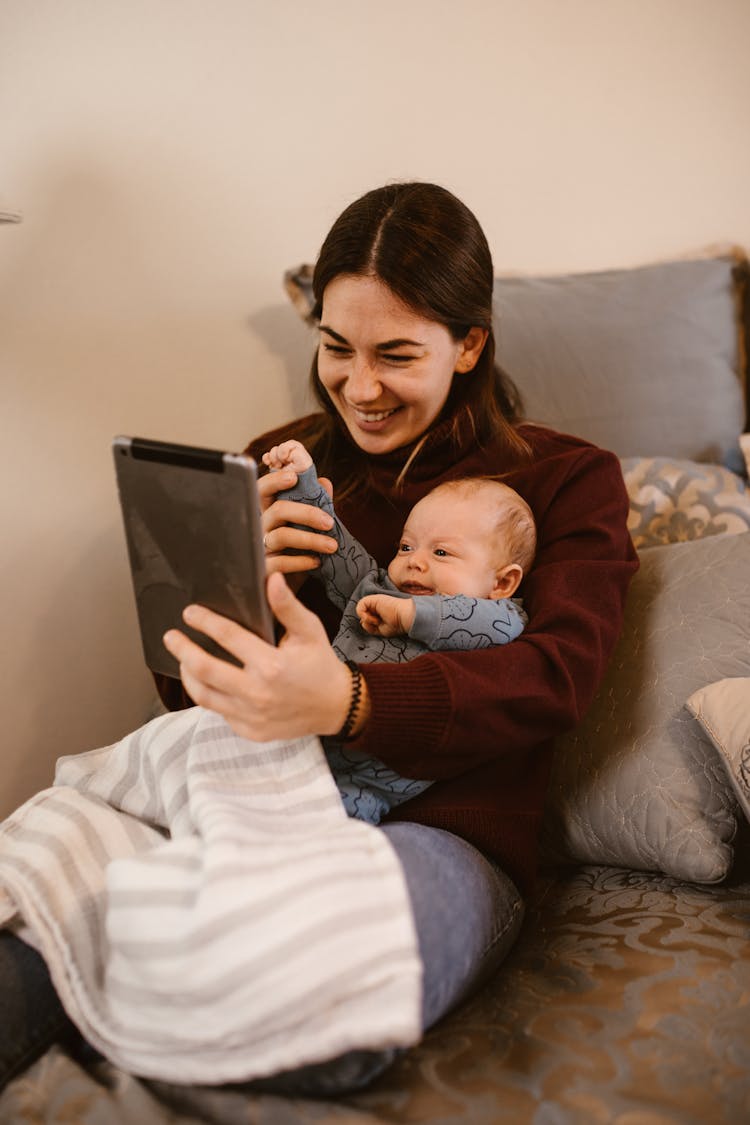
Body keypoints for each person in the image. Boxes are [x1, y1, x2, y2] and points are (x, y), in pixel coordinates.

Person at [0, 181, 638, 1099]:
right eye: (337, 349)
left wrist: (354, 701)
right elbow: (191, 694)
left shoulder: (568, 481)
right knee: (32, 920)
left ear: (469, 344)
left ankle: (157, 992)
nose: (360, 387)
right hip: (248, 789)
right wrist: (232, 583)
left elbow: (556, 676)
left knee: (316, 994)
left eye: (397, 354)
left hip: (440, 830)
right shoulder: (284, 464)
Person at [262, 437, 536, 823]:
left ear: (502, 583)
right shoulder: (377, 589)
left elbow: (485, 626)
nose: (415, 562)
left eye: (441, 553)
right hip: (296, 741)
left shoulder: (501, 615)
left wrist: (410, 615)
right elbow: (333, 548)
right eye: (406, 547)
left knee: (314, 823)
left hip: (369, 779)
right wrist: (302, 483)